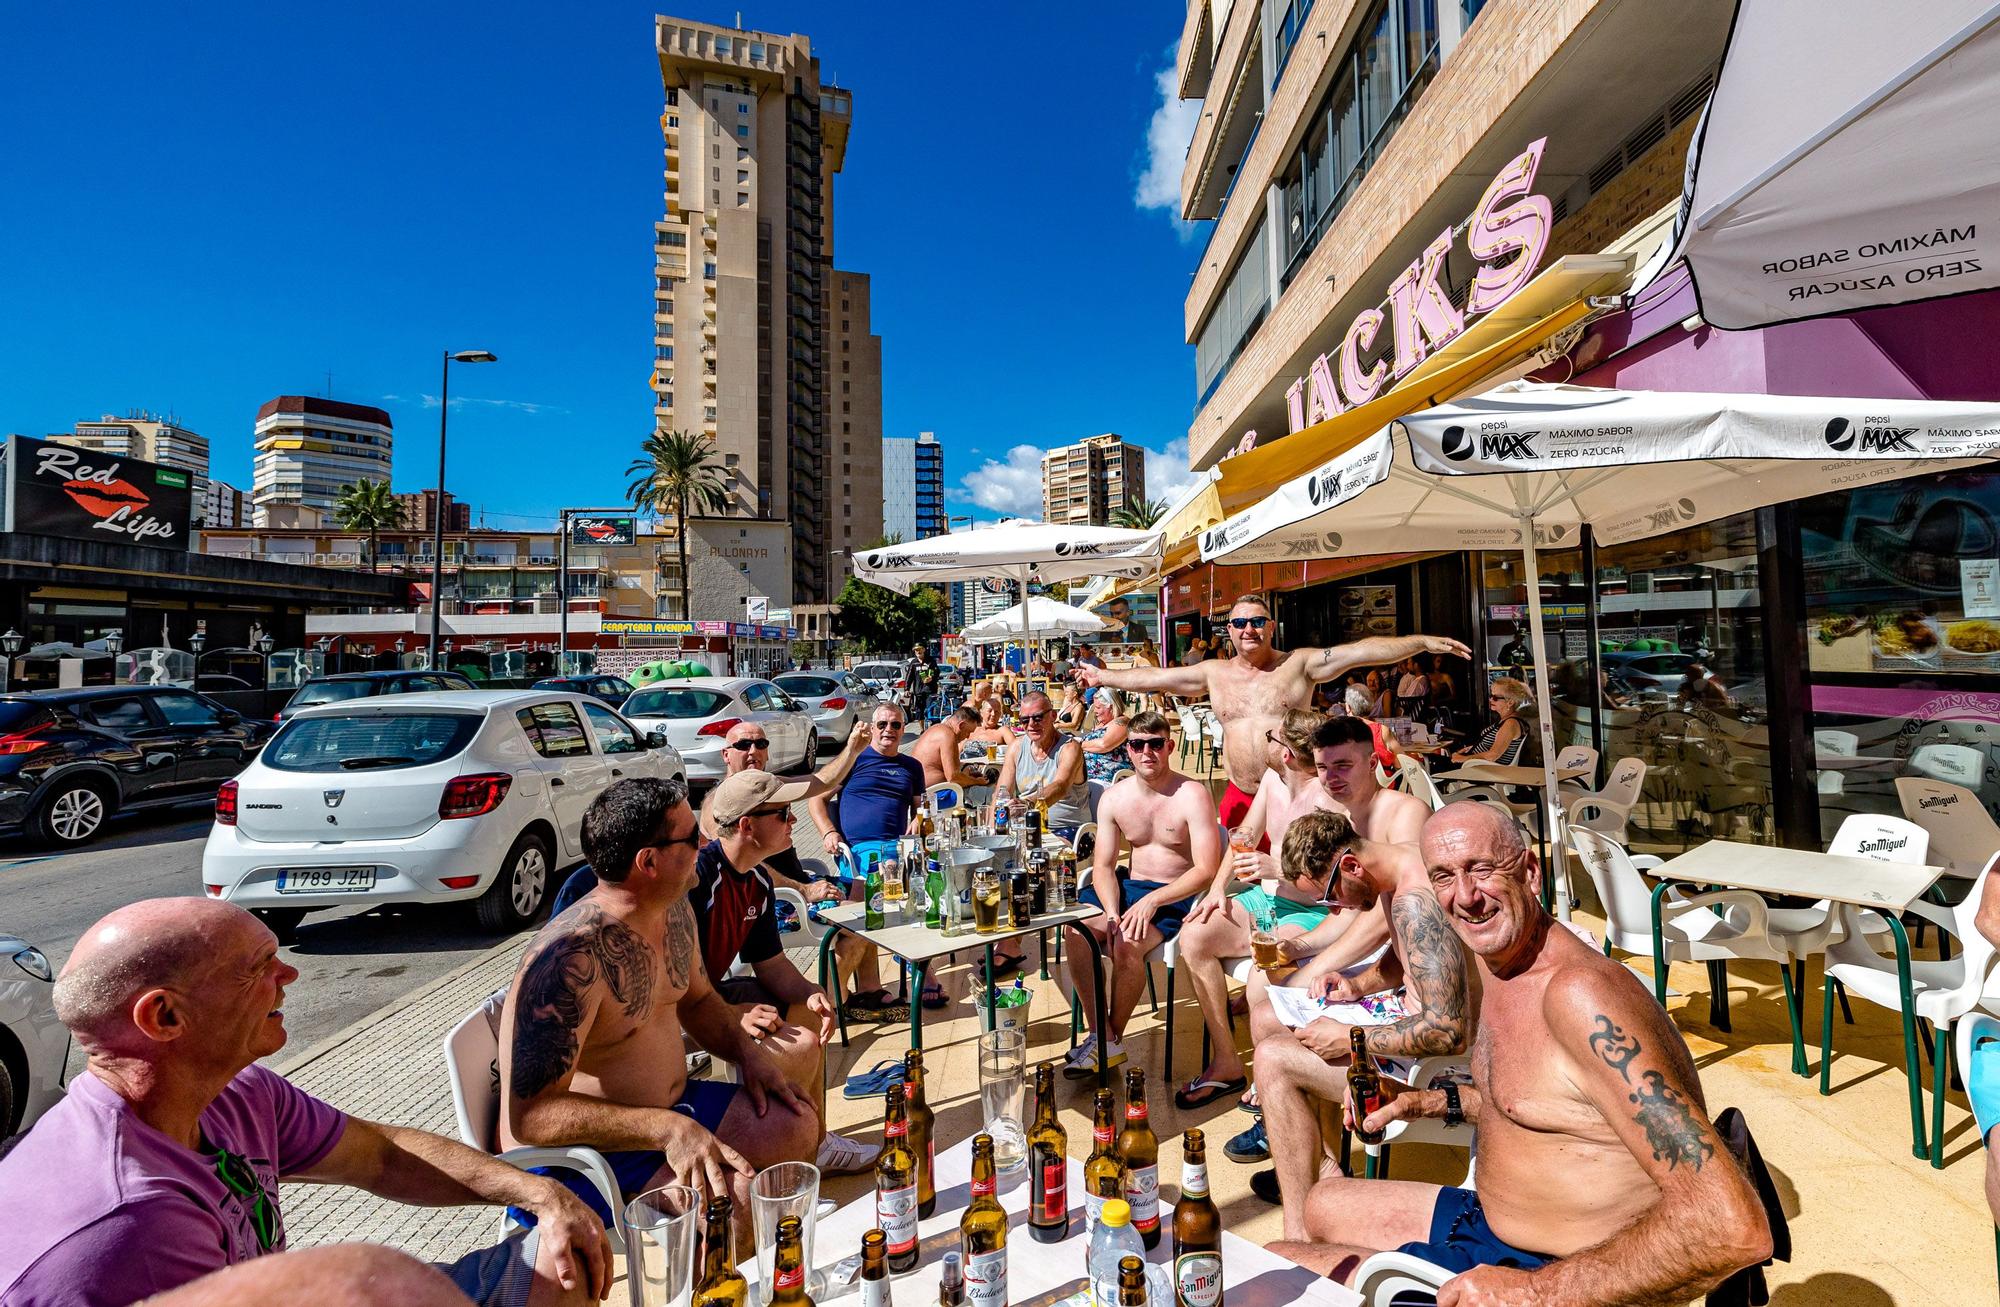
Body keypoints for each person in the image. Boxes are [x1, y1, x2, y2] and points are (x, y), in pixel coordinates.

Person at [0, 898, 612, 1307]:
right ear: (164, 1016)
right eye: (257, 966)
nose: (288, 976)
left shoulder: (233, 1093)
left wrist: (542, 1193)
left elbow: (381, 1155)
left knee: (566, 1262)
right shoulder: (131, 1221)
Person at [1274, 804, 1774, 1302]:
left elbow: (1730, 1226)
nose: (1465, 897)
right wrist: (1419, 1101)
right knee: (1322, 1203)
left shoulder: (1580, 998)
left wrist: (1532, 1293)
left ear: (1531, 872)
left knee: (1282, 1267)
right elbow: (1540, 1107)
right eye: (1443, 877)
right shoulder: (1501, 961)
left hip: (1562, 1268)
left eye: (1482, 870)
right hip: (1493, 1226)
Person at [500, 779, 835, 1245]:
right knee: (730, 1208)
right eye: (690, 837)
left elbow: (697, 1001)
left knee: (797, 1126)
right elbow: (531, 1118)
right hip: (594, 1147)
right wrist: (665, 1129)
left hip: (671, 1108)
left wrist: (748, 1053)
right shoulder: (569, 960)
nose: (704, 842)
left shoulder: (673, 910)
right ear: (648, 861)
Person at [1250, 808, 1473, 1233]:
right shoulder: (1399, 868)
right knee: (1268, 1015)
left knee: (1272, 1061)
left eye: (1331, 897)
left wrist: (1352, 1037)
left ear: (1350, 866)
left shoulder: (1415, 902)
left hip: (1438, 1065)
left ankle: (1299, 1232)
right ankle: (1322, 1173)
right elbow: (1407, 958)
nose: (1336, 907)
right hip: (1407, 1018)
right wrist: (1357, 985)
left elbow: (1450, 1031)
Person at [1077, 594, 1468, 834]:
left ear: (1271, 626)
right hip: (1239, 795)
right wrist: (1103, 674)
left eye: (1258, 622)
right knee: (1246, 885)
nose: (1249, 629)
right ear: (1228, 630)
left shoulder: (1298, 665)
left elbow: (1361, 650)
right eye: (1240, 623)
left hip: (1295, 794)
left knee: (1307, 886)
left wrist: (1421, 643)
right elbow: (1156, 676)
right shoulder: (1213, 673)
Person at [1172, 708, 1345, 1109]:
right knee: (1196, 934)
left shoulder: (1329, 799)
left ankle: (1272, 1080)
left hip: (1311, 911)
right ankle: (1227, 1061)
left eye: (1273, 737)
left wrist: (1279, 868)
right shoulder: (1272, 780)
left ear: (1286, 752)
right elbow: (1244, 836)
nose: (1266, 741)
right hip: (1268, 899)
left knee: (1260, 977)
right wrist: (1217, 889)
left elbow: (1337, 879)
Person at [1060, 711, 1223, 1078]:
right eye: (1137, 744)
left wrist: (1153, 901)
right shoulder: (1115, 798)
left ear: (1170, 746)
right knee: (1077, 930)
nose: (1147, 752)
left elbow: (1206, 869)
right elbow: (1102, 866)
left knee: (1127, 944)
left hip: (1174, 893)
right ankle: (1102, 1035)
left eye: (1155, 744)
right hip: (1126, 886)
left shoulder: (1192, 794)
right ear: (1128, 751)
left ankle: (1106, 1043)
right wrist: (1114, 911)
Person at [808, 701, 927, 1013]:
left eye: (896, 725)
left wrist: (920, 819)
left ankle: (884, 984)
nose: (889, 730)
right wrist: (827, 832)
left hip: (900, 847)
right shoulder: (855, 759)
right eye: (883, 724)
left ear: (903, 730)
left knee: (928, 893)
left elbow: (921, 808)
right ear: (872, 728)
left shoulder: (911, 766)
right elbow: (816, 799)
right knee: (870, 903)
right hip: (860, 850)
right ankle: (858, 989)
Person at [994, 690, 1090, 839]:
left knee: (1040, 858)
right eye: (1025, 720)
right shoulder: (1016, 747)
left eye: (1038, 717)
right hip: (1026, 827)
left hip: (1068, 828)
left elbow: (1060, 786)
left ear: (1053, 715)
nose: (1031, 724)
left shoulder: (1069, 748)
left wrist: (1027, 804)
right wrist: (991, 832)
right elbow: (1001, 793)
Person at [1451, 677, 1530, 765]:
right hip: (1476, 765)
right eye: (1491, 696)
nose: (1490, 699)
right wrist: (1471, 748)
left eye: (1495, 697)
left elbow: (1493, 755)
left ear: (1510, 702)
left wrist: (1462, 758)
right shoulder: (1506, 720)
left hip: (1481, 769)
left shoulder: (1510, 723)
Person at [909, 705, 986, 791]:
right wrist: (976, 781)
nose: (968, 736)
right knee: (984, 792)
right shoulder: (948, 735)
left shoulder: (937, 728)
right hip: (931, 793)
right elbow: (953, 778)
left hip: (918, 787)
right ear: (961, 725)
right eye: (968, 732)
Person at [1342, 683, 1400, 774]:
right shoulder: (1383, 731)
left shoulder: (1340, 732)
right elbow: (1400, 764)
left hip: (1351, 785)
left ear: (1348, 707)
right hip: (1381, 786)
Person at [1078, 687, 1132, 782]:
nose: (1094, 711)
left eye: (1098, 707)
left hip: (1106, 775)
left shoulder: (1122, 722)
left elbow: (1104, 745)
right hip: (1087, 773)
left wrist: (1078, 744)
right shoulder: (1102, 723)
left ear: (1111, 707)